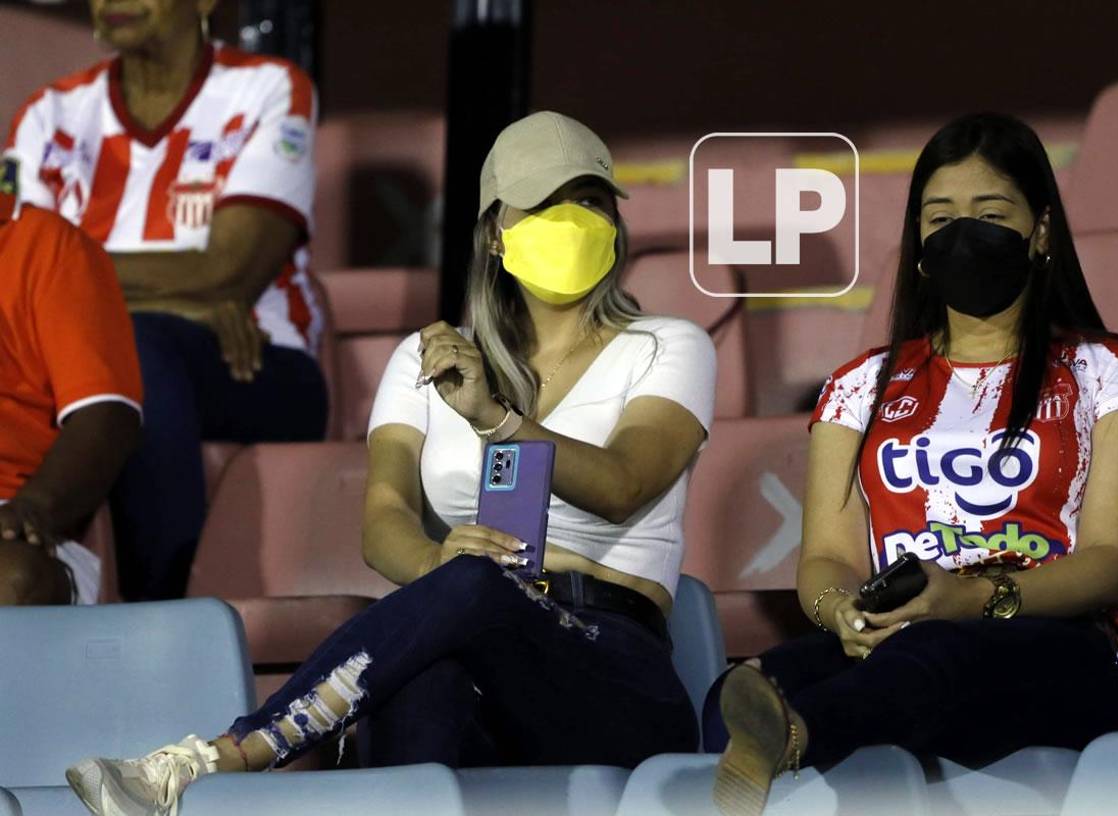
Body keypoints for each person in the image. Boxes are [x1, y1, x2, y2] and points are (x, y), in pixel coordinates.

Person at [65, 110, 716, 814]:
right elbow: (384, 521)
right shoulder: (428, 357)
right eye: (548, 203)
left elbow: (625, 484)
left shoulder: (665, 346)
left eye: (589, 201)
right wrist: (437, 567)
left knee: (470, 592)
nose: (573, 219)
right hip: (468, 656)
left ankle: (228, 754)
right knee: (423, 676)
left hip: (609, 671)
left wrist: (497, 420)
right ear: (497, 231)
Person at [704, 113, 1118, 816]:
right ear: (919, 242)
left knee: (936, 661)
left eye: (990, 214)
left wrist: (975, 598)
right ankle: (774, 735)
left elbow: (1114, 560)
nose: (964, 234)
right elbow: (826, 558)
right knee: (745, 688)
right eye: (940, 217)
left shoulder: (1111, 369)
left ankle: (797, 737)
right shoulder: (860, 386)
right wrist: (844, 616)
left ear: (1040, 231)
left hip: (1051, 654)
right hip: (895, 644)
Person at [2, 0, 328, 601]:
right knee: (127, 350)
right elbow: (17, 269)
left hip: (253, 361)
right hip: (83, 365)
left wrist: (83, 288)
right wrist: (175, 296)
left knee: (140, 352)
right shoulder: (49, 113)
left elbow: (227, 268)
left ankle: (162, 611)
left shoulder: (268, 89)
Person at [0, 185, 142, 606]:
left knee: (12, 578)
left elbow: (107, 414)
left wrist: (34, 509)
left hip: (13, 516)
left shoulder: (44, 243)